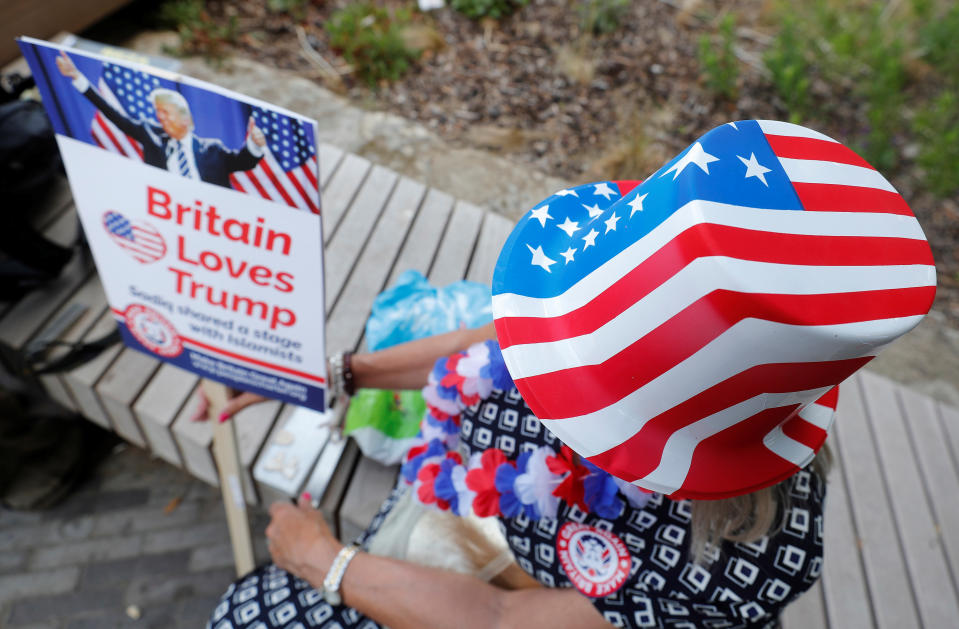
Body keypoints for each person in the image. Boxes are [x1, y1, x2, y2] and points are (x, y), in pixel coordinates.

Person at [207, 120, 936, 629]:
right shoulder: (608, 318)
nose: (546, 370)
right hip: (498, 524)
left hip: (530, 600)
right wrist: (341, 373)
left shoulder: (743, 556)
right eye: (561, 340)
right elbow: (484, 347)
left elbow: (503, 618)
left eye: (584, 375)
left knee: (247, 615)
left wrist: (323, 560)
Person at [55, 51, 266, 188]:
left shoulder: (212, 150)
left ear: (185, 119)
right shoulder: (151, 136)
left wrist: (254, 145)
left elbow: (244, 162)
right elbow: (115, 116)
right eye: (158, 112)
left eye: (165, 112)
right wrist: (78, 78)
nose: (159, 117)